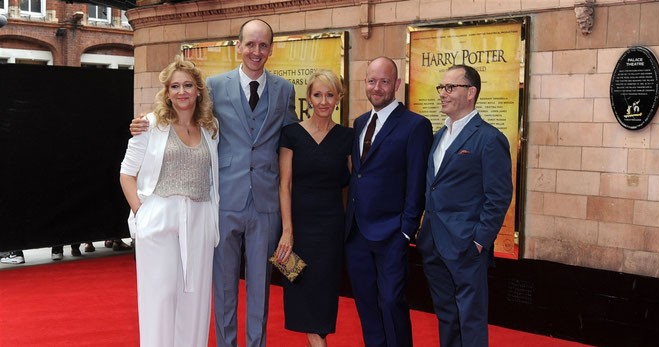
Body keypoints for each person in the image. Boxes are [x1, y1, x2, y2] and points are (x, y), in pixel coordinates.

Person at [131, 18, 297, 347]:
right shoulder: (215, 86)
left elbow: (289, 142)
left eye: (263, 45)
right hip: (222, 202)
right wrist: (147, 122)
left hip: (265, 203)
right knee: (222, 287)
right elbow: (184, 114)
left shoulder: (285, 90)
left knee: (260, 289)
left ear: (271, 50)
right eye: (250, 44)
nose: (256, 51)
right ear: (238, 46)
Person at [120, 55, 219, 347]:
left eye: (188, 85)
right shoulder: (149, 125)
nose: (182, 92)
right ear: (167, 92)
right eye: (175, 86)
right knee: (159, 299)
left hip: (200, 218)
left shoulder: (210, 128)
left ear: (199, 90)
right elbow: (126, 174)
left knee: (196, 300)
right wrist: (142, 214)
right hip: (159, 217)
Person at [417, 65, 513, 347]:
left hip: (466, 247)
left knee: (470, 319)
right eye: (441, 88)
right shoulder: (438, 137)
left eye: (450, 88)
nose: (442, 94)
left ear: (471, 92)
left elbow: (498, 195)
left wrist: (480, 240)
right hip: (433, 243)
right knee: (447, 316)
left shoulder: (489, 138)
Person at [345, 56, 433, 347]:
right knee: (366, 304)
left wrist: (406, 231)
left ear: (396, 84)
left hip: (391, 233)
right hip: (357, 232)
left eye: (384, 81)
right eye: (372, 81)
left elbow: (416, 181)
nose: (377, 87)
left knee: (391, 302)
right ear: (365, 84)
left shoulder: (415, 125)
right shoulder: (358, 123)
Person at [277, 70, 353, 347]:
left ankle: (319, 343)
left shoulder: (347, 137)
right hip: (294, 228)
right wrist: (287, 231)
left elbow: (357, 183)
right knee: (298, 288)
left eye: (329, 95)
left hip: (331, 229)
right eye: (318, 94)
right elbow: (284, 184)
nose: (323, 101)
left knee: (324, 291)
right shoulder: (291, 133)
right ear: (308, 97)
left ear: (338, 98)